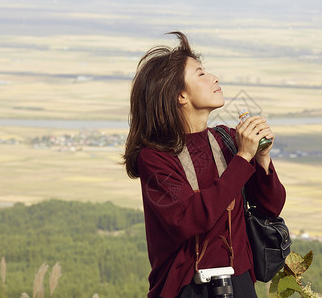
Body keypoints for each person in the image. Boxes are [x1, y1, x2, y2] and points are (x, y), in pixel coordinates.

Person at [122, 31, 286, 298]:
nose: (214, 78)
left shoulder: (227, 140)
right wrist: (243, 159)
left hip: (240, 282)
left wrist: (261, 158)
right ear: (180, 96)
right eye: (201, 74)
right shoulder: (155, 158)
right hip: (187, 287)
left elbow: (271, 206)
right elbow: (189, 220)